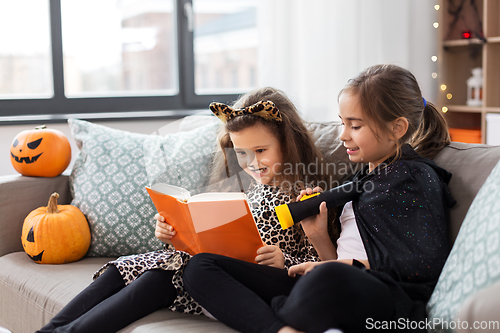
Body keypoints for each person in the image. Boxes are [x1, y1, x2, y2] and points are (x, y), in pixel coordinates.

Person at [183, 64, 456, 333]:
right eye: (342, 123)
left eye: (355, 125)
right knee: (200, 267)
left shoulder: (414, 177)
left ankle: (285, 313)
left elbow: (424, 265)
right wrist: (318, 236)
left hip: (384, 296)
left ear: (397, 128)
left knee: (328, 276)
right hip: (336, 285)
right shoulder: (358, 180)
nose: (342, 135)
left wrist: (341, 266)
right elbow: (337, 259)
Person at [36, 87, 328, 333]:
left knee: (157, 279)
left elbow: (325, 265)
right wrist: (174, 232)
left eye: (261, 151)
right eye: (241, 153)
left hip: (247, 283)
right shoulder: (248, 188)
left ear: (287, 143)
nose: (252, 163)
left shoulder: (306, 193)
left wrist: (284, 260)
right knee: (125, 266)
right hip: (214, 267)